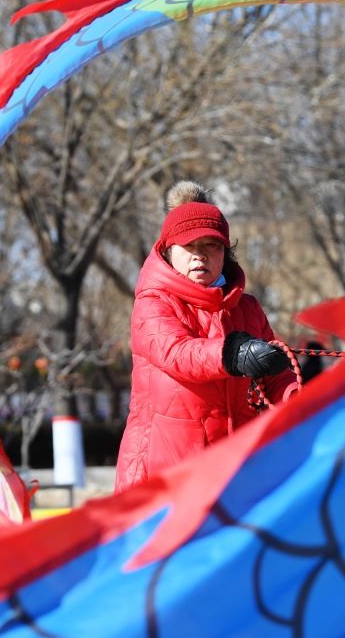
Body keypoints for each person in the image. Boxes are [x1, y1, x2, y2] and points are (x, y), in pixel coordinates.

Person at [114, 181, 297, 493]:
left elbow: (277, 378)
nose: (200, 256)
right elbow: (177, 352)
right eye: (190, 247)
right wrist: (233, 354)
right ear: (168, 251)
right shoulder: (153, 302)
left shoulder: (248, 308)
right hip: (165, 476)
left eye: (211, 246)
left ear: (225, 253)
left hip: (237, 472)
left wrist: (298, 398)